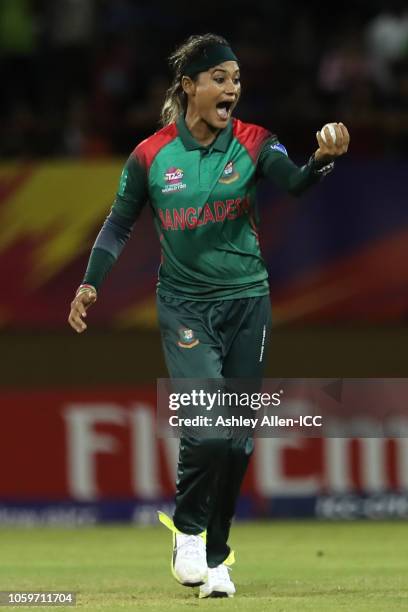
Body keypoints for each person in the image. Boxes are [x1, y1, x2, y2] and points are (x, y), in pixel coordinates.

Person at [68, 33, 350, 598]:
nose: (232, 89)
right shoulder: (150, 156)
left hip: (249, 303)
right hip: (184, 305)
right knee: (210, 429)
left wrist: (321, 159)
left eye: (237, 80)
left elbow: (294, 183)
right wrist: (90, 284)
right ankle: (188, 533)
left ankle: (216, 558)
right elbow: (119, 224)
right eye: (219, 78)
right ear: (189, 87)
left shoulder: (253, 142)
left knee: (240, 440)